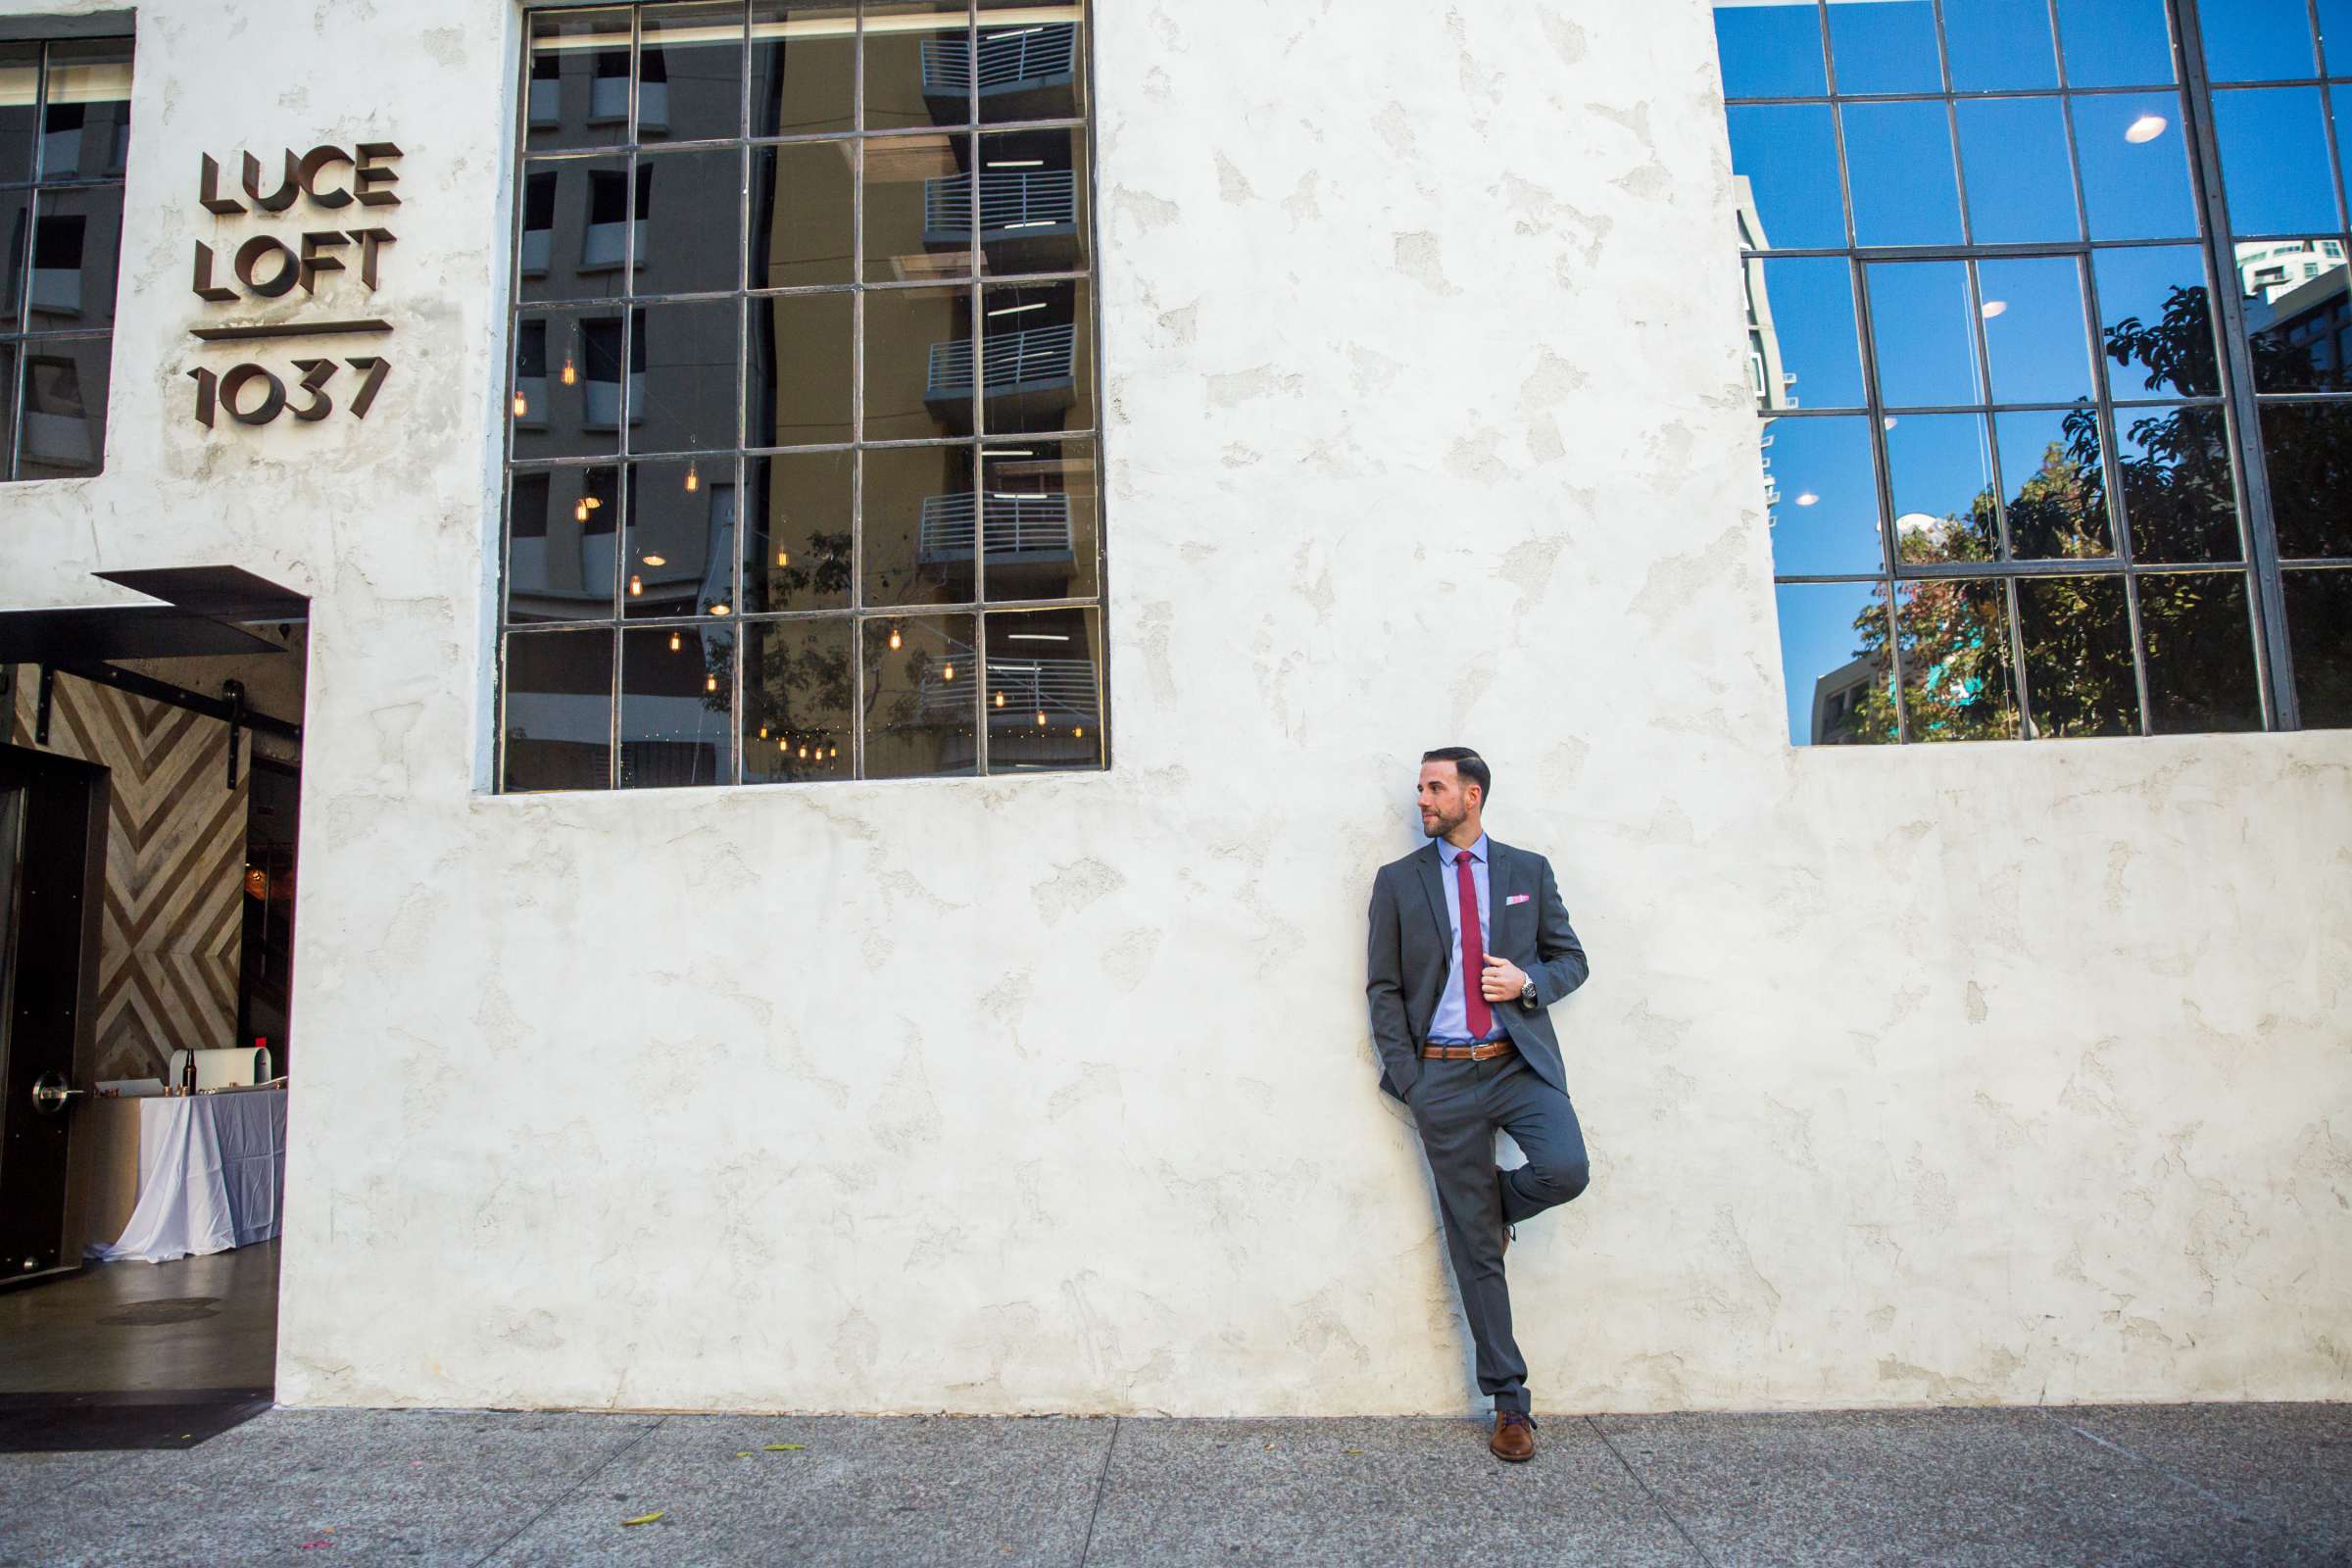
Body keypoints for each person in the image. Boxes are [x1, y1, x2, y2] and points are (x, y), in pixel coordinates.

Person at [1364, 746, 1592, 1461]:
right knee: (1475, 1252)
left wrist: (1527, 984)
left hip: (1516, 1063)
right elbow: (1384, 989)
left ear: (1473, 795)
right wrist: (1412, 1081)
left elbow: (1571, 959)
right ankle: (1510, 1403)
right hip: (1443, 1078)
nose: (1422, 800)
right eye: (1420, 789)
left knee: (1566, 1168)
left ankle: (1488, 1206)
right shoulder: (1398, 882)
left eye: (1435, 788)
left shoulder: (1528, 871)